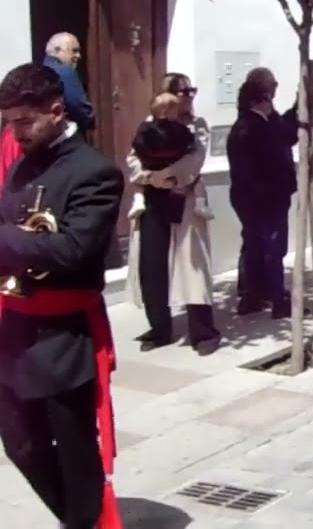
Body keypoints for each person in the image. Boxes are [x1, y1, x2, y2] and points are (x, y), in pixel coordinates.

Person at [0, 63, 126, 529]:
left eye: (23, 121)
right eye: (9, 120)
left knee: (74, 450)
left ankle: (83, 520)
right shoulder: (20, 166)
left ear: (56, 111)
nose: (15, 131)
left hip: (63, 335)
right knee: (20, 442)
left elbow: (74, 249)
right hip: (14, 328)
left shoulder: (95, 171)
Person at [126, 73, 221, 354]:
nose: (190, 95)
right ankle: (159, 328)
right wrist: (150, 178)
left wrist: (167, 175)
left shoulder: (197, 126)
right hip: (153, 196)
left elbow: (196, 158)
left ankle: (202, 331)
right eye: (184, 90)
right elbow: (133, 157)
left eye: (192, 89)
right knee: (152, 263)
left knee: (192, 264)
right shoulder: (148, 126)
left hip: (185, 194)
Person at [226, 68, 299, 318]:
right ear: (262, 98)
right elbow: (282, 141)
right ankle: (277, 300)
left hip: (253, 200)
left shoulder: (258, 122)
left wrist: (299, 107)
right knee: (272, 251)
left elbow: (286, 133)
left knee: (254, 248)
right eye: (272, 89)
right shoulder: (253, 127)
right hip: (265, 200)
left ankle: (252, 297)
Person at [127, 92, 213, 222]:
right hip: (175, 172)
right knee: (197, 180)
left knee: (138, 183)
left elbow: (137, 145)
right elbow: (190, 142)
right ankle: (201, 204)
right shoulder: (178, 128)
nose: (190, 96)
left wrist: (147, 161)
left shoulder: (146, 127)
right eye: (184, 91)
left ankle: (138, 200)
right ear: (167, 112)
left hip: (151, 165)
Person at [41, 32, 95, 133]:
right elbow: (77, 104)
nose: (78, 56)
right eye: (74, 51)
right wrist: (90, 118)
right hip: (64, 133)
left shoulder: (39, 69)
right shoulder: (64, 71)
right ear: (57, 50)